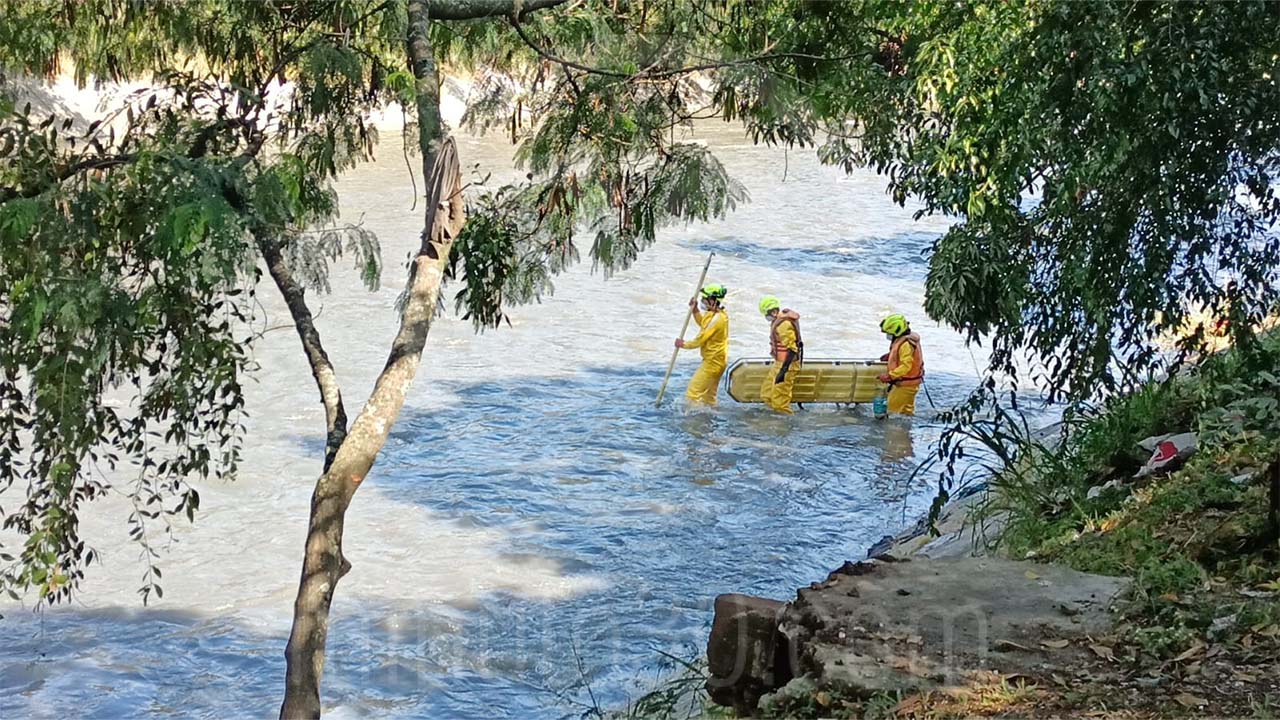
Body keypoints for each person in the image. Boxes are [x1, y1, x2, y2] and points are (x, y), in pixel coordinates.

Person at [674, 284, 730, 405]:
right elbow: (704, 325)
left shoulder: (717, 319)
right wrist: (695, 311)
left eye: (705, 299)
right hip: (719, 360)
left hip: (712, 362)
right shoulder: (717, 315)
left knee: (692, 394)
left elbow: (700, 340)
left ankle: (692, 420)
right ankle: (709, 416)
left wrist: (683, 344)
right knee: (709, 397)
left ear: (713, 300)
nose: (702, 302)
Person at [758, 296, 802, 414]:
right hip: (779, 363)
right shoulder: (778, 322)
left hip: (787, 365)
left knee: (780, 401)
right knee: (766, 394)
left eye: (766, 314)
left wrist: (783, 371)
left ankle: (785, 421)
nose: (766, 317)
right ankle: (772, 416)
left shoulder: (784, 325)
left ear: (773, 311)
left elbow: (792, 350)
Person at [876, 314, 925, 416]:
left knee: (892, 414)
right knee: (906, 413)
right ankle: (905, 432)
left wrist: (890, 376)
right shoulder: (907, 340)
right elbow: (906, 357)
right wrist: (890, 356)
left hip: (904, 385)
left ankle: (892, 432)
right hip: (912, 384)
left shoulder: (905, 344)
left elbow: (906, 366)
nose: (888, 335)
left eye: (889, 333)